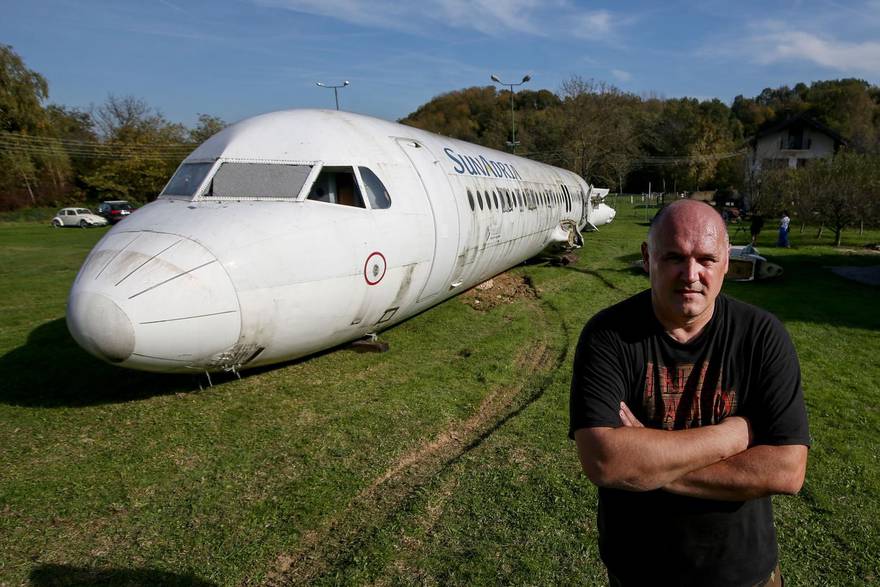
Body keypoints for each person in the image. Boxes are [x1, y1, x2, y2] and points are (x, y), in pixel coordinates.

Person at [570, 199, 809, 587]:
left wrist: (649, 465)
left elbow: (786, 470)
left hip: (744, 574)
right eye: (674, 257)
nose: (691, 274)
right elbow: (605, 462)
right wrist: (731, 436)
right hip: (640, 571)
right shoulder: (608, 336)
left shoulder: (762, 336)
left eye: (706, 259)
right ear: (648, 257)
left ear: (727, 260)